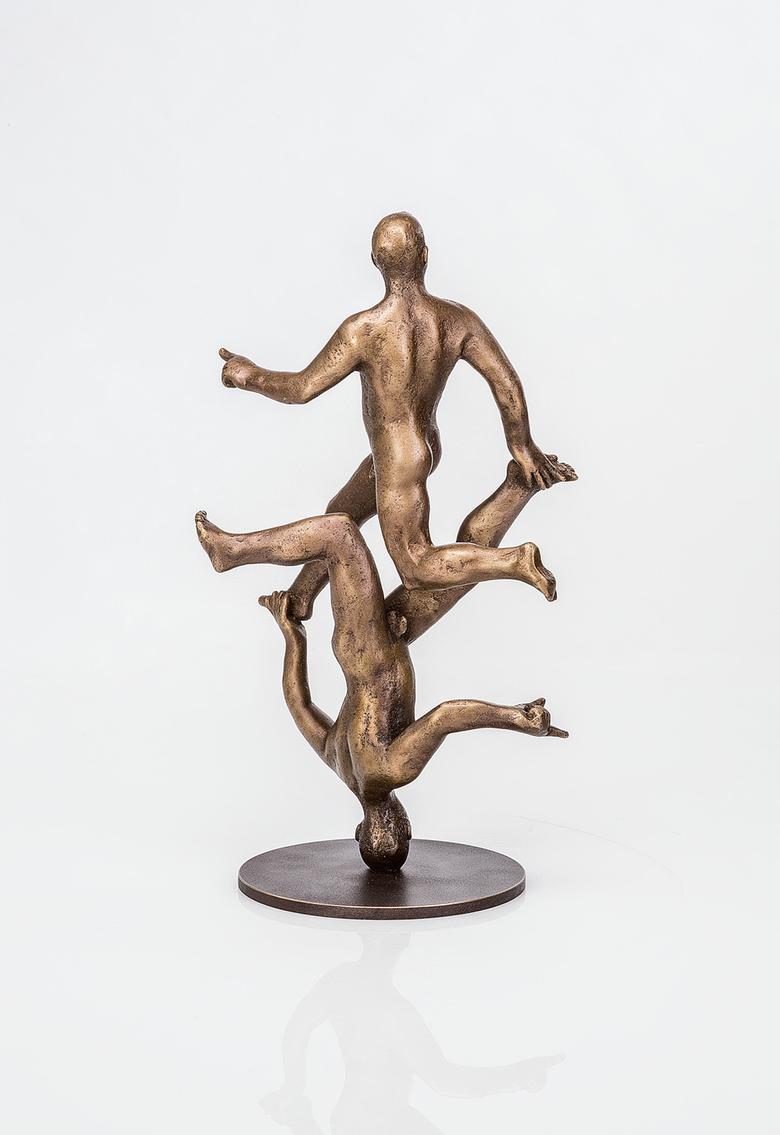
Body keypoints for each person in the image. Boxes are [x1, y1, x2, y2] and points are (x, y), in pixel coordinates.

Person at [218, 212, 573, 619]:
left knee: (414, 564)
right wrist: (521, 444)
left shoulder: (363, 330)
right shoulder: (457, 320)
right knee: (343, 510)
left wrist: (247, 376)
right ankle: (300, 598)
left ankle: (514, 561)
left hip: (397, 457)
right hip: (421, 445)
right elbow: (505, 381)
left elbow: (301, 389)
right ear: (425, 256)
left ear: (375, 262)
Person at [195, 508, 567, 872]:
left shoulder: (392, 769)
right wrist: (294, 637)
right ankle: (520, 486)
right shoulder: (341, 765)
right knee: (460, 571)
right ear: (360, 832)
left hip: (368, 647)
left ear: (406, 828)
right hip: (388, 640)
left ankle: (232, 552)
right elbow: (299, 703)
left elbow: (446, 716)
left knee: (339, 534)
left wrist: (515, 718)